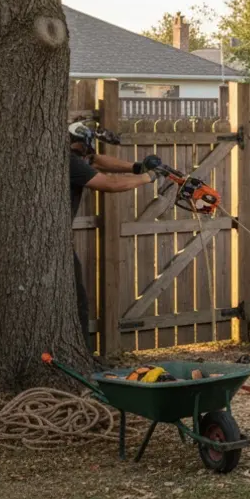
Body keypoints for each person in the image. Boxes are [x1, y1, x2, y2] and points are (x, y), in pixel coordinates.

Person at [68, 121, 159, 346]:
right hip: (54, 243)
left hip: (58, 239)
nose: (90, 152)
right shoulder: (70, 163)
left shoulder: (72, 156)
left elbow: (98, 160)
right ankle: (82, 352)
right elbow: (109, 184)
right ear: (82, 142)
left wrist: (136, 167)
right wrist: (148, 178)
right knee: (76, 298)